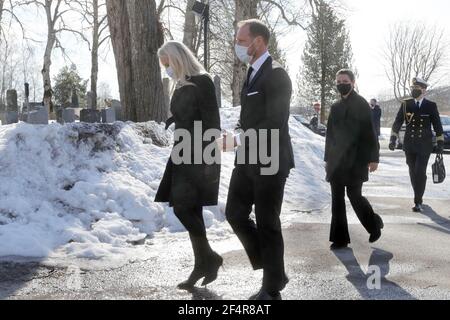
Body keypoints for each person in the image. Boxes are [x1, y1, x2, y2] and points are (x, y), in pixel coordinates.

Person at [224, 19, 295, 300]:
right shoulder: (251, 73)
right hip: (247, 159)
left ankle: (272, 287)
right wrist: (236, 134)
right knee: (234, 213)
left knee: (267, 222)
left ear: (259, 42)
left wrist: (240, 139)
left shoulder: (277, 75)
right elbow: (248, 118)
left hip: (271, 159)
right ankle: (274, 269)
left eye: (241, 41)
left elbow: (275, 122)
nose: (237, 46)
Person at [155, 41, 223, 290]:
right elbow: (188, 111)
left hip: (197, 154)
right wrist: (175, 119)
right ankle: (203, 262)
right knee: (188, 209)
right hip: (182, 151)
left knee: (184, 208)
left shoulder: (202, 81)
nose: (167, 70)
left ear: (178, 60)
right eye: (164, 66)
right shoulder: (182, 84)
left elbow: (212, 122)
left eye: (168, 64)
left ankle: (209, 259)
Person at [324, 69, 384, 251]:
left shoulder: (361, 104)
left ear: (353, 82)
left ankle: (373, 224)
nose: (341, 83)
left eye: (345, 80)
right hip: (336, 161)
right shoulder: (335, 107)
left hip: (356, 161)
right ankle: (340, 238)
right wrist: (327, 159)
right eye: (338, 81)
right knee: (337, 199)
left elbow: (370, 133)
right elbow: (330, 135)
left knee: (354, 196)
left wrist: (374, 158)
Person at [389, 78, 444, 213]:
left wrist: (440, 142)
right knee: (413, 171)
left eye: (417, 88)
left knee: (420, 171)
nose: (414, 89)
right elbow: (397, 122)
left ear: (424, 90)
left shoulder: (431, 105)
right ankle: (418, 195)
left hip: (424, 145)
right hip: (409, 144)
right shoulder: (406, 104)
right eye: (413, 87)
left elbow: (437, 124)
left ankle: (418, 200)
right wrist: (392, 139)